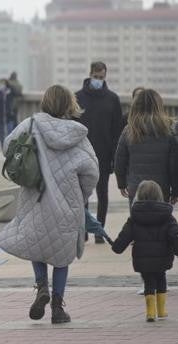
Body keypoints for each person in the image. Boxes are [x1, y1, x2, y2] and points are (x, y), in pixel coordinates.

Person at [0, 85, 99, 324]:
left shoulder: (30, 125)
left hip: (35, 196)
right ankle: (57, 306)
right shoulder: (79, 135)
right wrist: (82, 195)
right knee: (62, 256)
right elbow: (91, 172)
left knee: (38, 243)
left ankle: (41, 286)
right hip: (68, 203)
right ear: (69, 105)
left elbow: (8, 147)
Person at [111, 180, 178, 322]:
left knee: (149, 282)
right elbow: (175, 235)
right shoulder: (167, 215)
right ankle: (162, 310)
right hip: (163, 256)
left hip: (142, 257)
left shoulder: (135, 216)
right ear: (159, 195)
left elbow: (125, 235)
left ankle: (150, 312)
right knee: (161, 278)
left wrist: (117, 247)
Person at [75, 61, 123, 243]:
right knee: (82, 196)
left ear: (105, 77)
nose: (98, 80)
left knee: (103, 194)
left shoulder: (112, 99)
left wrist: (114, 157)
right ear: (90, 75)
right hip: (81, 154)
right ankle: (84, 231)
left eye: (102, 78)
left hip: (103, 155)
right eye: (96, 77)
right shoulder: (77, 98)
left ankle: (99, 232)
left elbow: (117, 131)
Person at [114, 88, 178, 205]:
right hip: (162, 188)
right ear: (159, 106)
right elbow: (175, 165)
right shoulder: (168, 131)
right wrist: (176, 190)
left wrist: (121, 183)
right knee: (161, 219)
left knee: (138, 220)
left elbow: (120, 161)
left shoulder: (129, 130)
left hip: (136, 189)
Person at [0, 78, 13, 147]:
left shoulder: (10, 92)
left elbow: (17, 93)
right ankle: (2, 146)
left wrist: (9, 89)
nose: (2, 85)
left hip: (8, 115)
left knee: (10, 131)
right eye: (1, 84)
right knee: (1, 132)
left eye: (3, 84)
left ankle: (9, 145)